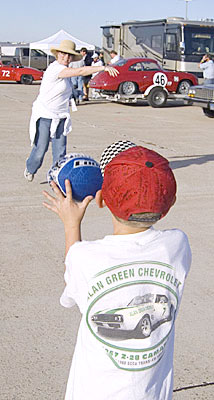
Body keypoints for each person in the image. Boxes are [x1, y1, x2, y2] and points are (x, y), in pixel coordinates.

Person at [42, 140, 191, 400]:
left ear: (101, 200)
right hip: (153, 393)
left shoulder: (85, 257)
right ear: (170, 203)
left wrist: (71, 224)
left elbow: (72, 291)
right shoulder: (177, 245)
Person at [24, 40, 118, 182]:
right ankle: (30, 169)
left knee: (60, 152)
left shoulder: (66, 72)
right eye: (63, 54)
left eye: (69, 55)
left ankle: (57, 178)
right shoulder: (54, 69)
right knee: (40, 150)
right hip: (45, 115)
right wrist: (102, 68)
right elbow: (79, 71)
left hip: (61, 116)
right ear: (58, 55)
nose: (66, 57)